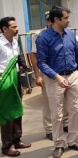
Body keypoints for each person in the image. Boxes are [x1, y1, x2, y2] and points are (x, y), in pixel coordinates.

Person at [36, 6, 78, 158]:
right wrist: (56, 76)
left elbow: (77, 55)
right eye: (65, 18)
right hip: (54, 79)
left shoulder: (70, 34)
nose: (68, 20)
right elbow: (41, 62)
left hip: (73, 76)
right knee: (57, 114)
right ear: (56, 19)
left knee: (75, 110)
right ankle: (59, 144)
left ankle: (73, 140)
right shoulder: (43, 37)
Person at [30, 12, 68, 141]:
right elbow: (34, 57)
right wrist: (37, 76)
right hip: (47, 73)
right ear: (48, 21)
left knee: (65, 101)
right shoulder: (39, 36)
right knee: (48, 103)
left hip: (64, 72)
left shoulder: (64, 33)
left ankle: (65, 123)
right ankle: (50, 129)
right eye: (50, 20)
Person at [0, 17, 31, 157]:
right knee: (7, 113)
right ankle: (7, 146)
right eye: (13, 27)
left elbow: (17, 57)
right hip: (4, 82)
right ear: (4, 29)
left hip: (16, 79)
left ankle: (17, 139)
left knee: (17, 109)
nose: (17, 29)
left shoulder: (14, 41)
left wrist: (23, 65)